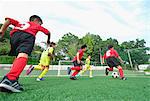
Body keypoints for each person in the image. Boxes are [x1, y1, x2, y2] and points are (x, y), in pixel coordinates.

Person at [0, 15, 51, 92]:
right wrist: (48, 40)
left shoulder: (20, 23)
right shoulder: (36, 25)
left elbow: (8, 20)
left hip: (14, 36)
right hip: (27, 36)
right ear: (37, 21)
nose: (40, 25)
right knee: (23, 55)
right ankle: (10, 79)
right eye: (40, 24)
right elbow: (48, 32)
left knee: (18, 57)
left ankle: (13, 80)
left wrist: (2, 31)